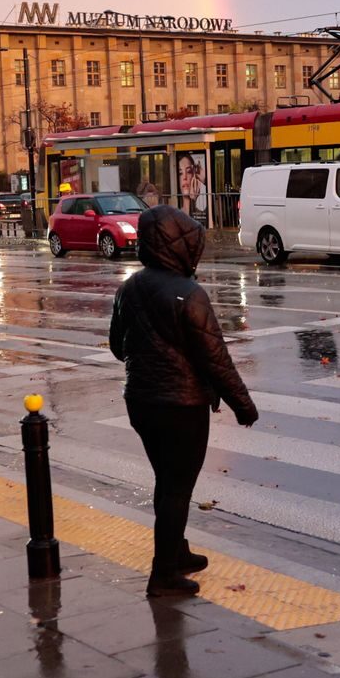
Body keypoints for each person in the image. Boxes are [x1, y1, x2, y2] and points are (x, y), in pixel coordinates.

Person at [108, 205, 258, 597]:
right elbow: (215, 358)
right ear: (180, 247)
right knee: (177, 488)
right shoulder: (190, 295)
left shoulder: (129, 287)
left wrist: (146, 358)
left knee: (166, 480)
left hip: (140, 401)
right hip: (182, 407)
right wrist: (243, 404)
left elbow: (116, 347)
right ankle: (163, 575)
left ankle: (177, 551)